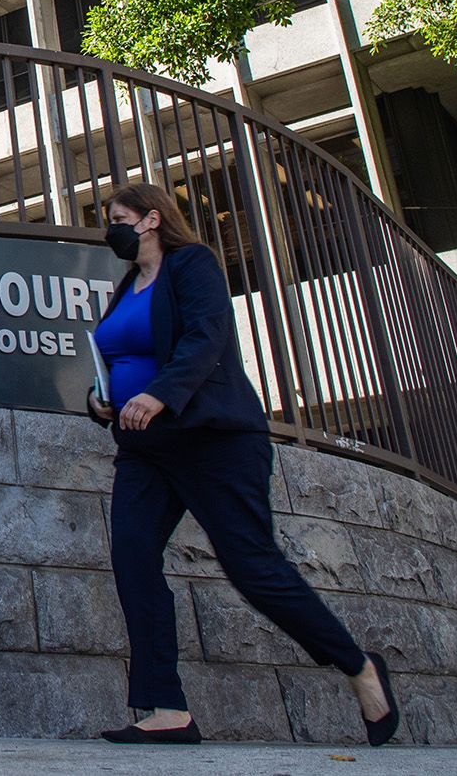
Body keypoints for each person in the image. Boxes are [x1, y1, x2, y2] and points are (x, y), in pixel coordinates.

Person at [87, 182, 400, 746]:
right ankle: (165, 709)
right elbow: (116, 358)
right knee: (133, 560)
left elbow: (207, 338)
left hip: (213, 442)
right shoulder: (129, 286)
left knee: (254, 569)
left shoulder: (192, 265)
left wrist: (160, 393)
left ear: (151, 219)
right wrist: (99, 399)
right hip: (144, 450)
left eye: (118, 217)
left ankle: (359, 666)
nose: (110, 227)